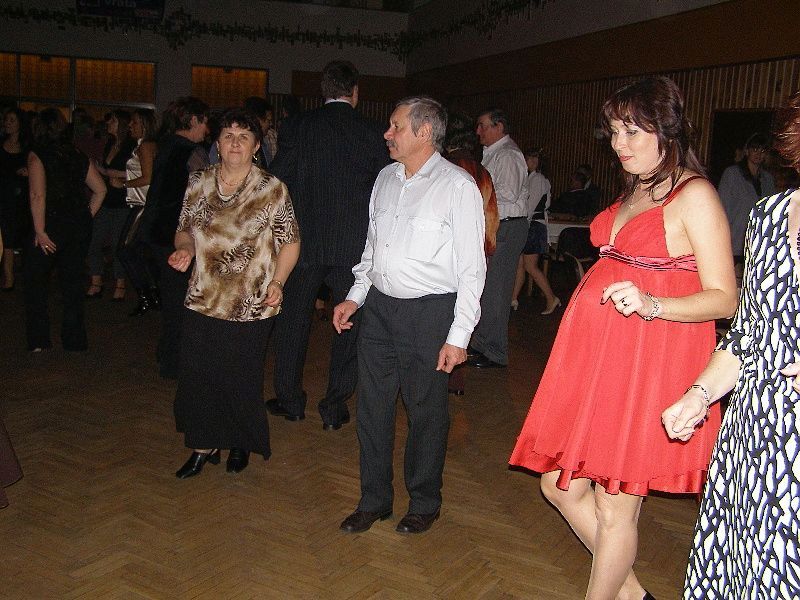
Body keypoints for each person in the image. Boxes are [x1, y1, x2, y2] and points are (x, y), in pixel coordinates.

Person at [509, 76, 738, 599]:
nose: (619, 143)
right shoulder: (637, 186)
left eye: (632, 131)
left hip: (648, 362)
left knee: (615, 507)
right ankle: (633, 594)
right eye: (614, 131)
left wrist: (653, 304)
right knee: (559, 486)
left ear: (667, 130)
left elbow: (725, 298)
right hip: (603, 360)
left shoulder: (694, 195)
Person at [663, 89, 800, 600]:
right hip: (752, 439)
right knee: (737, 573)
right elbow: (749, 334)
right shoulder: (769, 217)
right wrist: (699, 394)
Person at [333, 96, 486, 534]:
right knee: (372, 408)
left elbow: (473, 269)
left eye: (396, 126)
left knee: (425, 412)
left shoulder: (458, 186)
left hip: (429, 314)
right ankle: (374, 500)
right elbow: (372, 249)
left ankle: (424, 501)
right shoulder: (385, 178)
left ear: (424, 132)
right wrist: (355, 296)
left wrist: (459, 336)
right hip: (380, 310)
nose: (387, 134)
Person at [170, 108, 300, 478]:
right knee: (198, 376)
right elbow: (184, 229)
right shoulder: (199, 181)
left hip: (251, 302)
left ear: (257, 146)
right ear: (218, 142)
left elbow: (290, 242)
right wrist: (185, 250)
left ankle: (240, 441)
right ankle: (203, 444)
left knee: (239, 377)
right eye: (228, 135)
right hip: (203, 297)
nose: (235, 143)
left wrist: (278, 282)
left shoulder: (272, 189)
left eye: (244, 136)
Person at [266, 60, 388, 429]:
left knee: (293, 321)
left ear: (323, 90)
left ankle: (290, 400)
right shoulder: (372, 132)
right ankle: (334, 408)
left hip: (305, 243)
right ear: (355, 92)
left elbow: (278, 180)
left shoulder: (298, 126)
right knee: (348, 324)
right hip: (354, 245)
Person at [136, 96, 209, 379]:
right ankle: (173, 362)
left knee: (173, 299)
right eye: (204, 122)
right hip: (177, 237)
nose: (206, 129)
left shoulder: (164, 146)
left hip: (155, 232)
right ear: (193, 120)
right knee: (182, 301)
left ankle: (167, 353)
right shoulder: (192, 152)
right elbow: (205, 193)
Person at [24, 108, 107, 352]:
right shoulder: (76, 154)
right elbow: (100, 189)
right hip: (76, 226)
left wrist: (40, 231)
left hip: (50, 225)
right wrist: (86, 216)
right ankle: (74, 340)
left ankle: (39, 340)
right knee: (72, 285)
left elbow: (38, 195)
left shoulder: (37, 155)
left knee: (36, 283)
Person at [442, 111, 498, 396]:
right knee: (463, 316)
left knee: (442, 318)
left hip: (443, 257)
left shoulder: (442, 168)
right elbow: (491, 218)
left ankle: (437, 375)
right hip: (473, 255)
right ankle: (456, 382)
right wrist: (485, 253)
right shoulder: (482, 172)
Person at [467, 107, 528, 369]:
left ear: (499, 127)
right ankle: (482, 344)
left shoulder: (508, 155)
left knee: (496, 290)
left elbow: (508, 193)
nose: (478, 131)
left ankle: (495, 352)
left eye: (483, 125)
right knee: (487, 288)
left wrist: (471, 194)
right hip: (496, 226)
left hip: (507, 227)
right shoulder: (494, 153)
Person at [86, 110, 138, 301]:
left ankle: (120, 283)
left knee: (118, 244)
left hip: (122, 201)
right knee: (94, 240)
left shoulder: (132, 146)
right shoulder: (110, 143)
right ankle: (96, 280)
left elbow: (138, 172)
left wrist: (110, 173)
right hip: (105, 199)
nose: (108, 123)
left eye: (113, 121)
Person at [117, 108, 160, 317]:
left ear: (144, 124)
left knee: (125, 250)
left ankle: (147, 296)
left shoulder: (146, 146)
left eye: (134, 122)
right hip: (141, 204)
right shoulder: (142, 146)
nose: (130, 126)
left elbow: (148, 177)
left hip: (143, 205)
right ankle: (152, 294)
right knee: (138, 251)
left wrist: (123, 184)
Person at [511, 148, 559, 314]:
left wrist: (521, 225)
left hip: (533, 226)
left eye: (535, 159)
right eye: (529, 158)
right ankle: (513, 299)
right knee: (520, 265)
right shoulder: (530, 178)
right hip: (531, 225)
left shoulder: (537, 179)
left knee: (530, 266)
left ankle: (551, 298)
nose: (532, 162)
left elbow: (530, 207)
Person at [718, 132, 776, 260]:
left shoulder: (768, 179)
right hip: (735, 241)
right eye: (755, 149)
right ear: (747, 151)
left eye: (762, 150)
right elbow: (722, 208)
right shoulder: (732, 174)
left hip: (759, 243)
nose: (758, 154)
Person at [0, 108, 31, 290]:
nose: (8, 123)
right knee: (7, 237)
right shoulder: (1, 143)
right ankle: (9, 277)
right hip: (4, 195)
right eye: (7, 120)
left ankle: (25, 275)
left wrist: (29, 172)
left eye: (12, 120)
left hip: (21, 198)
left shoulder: (27, 146)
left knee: (21, 236)